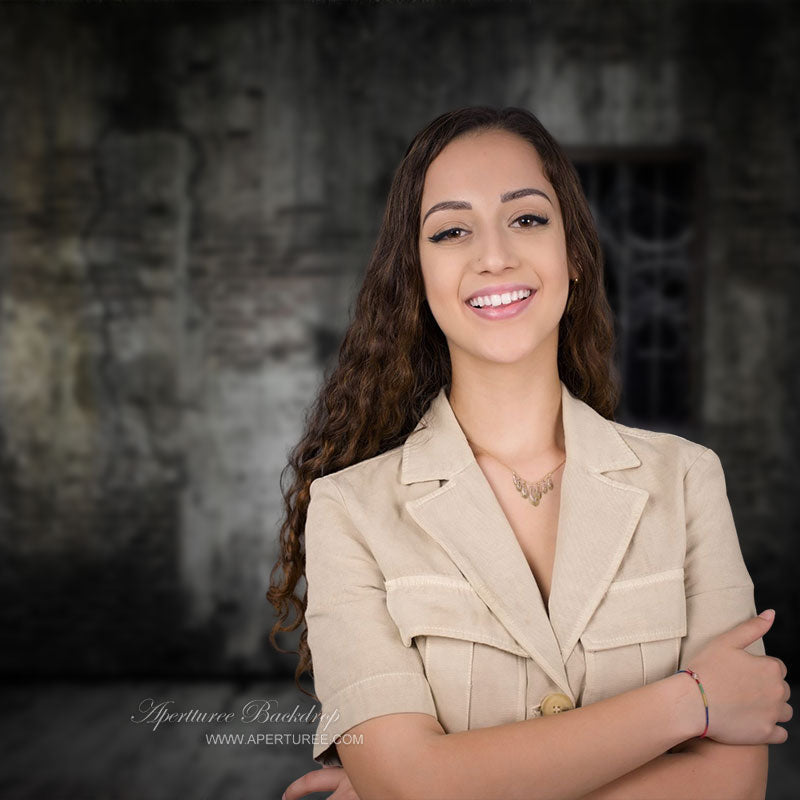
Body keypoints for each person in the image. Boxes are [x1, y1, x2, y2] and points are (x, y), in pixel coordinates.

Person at [268, 106, 791, 800]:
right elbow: (408, 785)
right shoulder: (348, 512)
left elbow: (733, 784)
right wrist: (690, 703)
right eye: (452, 230)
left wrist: (439, 784)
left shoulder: (688, 481)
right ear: (416, 277)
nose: (494, 255)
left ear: (573, 251)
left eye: (527, 218)